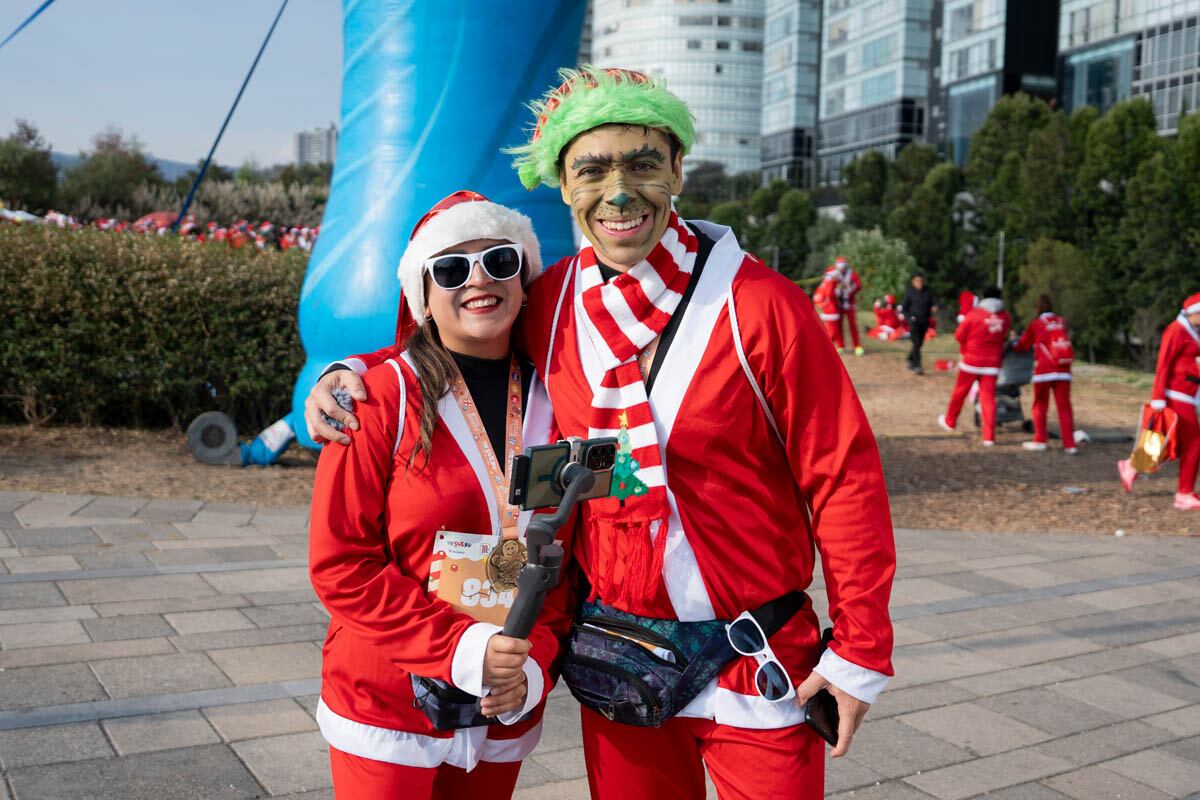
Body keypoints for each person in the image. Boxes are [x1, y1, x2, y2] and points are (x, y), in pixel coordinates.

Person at [308, 67, 895, 799]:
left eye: (643, 163)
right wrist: (350, 373)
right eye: (592, 169)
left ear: (678, 168)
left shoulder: (760, 306)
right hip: (621, 656)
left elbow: (843, 477)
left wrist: (858, 649)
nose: (619, 193)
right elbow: (458, 329)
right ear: (563, 184)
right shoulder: (551, 302)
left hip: (756, 652)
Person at [308, 190, 576, 798]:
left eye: (500, 262)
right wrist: (461, 647)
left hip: (503, 700)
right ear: (422, 299)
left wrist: (532, 667)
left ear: (527, 280)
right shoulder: (378, 401)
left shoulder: (560, 398)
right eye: (451, 268)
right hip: (389, 700)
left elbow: (567, 562)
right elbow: (340, 566)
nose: (478, 279)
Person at [1118, 293, 1200, 510]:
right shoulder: (1176, 330)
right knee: (1194, 442)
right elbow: (1163, 363)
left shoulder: (1190, 331)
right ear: (1195, 313)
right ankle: (1184, 493)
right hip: (1176, 394)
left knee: (1173, 442)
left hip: (1186, 394)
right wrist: (1158, 398)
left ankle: (1133, 466)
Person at [938, 286, 1011, 445]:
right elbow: (1004, 336)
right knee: (988, 398)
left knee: (960, 392)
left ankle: (950, 422)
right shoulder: (1005, 317)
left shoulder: (974, 314)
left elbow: (959, 336)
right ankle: (989, 436)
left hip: (972, 361)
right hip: (992, 363)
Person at [1013, 295, 1076, 454]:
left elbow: (1023, 345)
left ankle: (1040, 440)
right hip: (1063, 369)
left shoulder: (1036, 324)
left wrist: (1014, 342)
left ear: (1037, 308)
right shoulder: (1062, 322)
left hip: (1044, 370)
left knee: (1040, 405)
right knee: (1064, 407)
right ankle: (1070, 444)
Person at [818, 256, 864, 356]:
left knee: (852, 325)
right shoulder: (834, 272)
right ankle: (840, 346)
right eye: (839, 266)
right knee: (838, 325)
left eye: (843, 266)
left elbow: (858, 286)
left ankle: (857, 346)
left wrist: (849, 287)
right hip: (837, 303)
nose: (841, 268)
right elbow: (826, 277)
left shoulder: (852, 274)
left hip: (849, 303)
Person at [900, 272, 937, 374]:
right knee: (916, 342)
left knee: (919, 343)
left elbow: (935, 301)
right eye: (917, 281)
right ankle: (917, 365)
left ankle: (910, 358)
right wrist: (908, 319)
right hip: (913, 321)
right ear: (913, 282)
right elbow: (904, 308)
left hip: (924, 321)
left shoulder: (928, 292)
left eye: (921, 281)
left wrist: (935, 306)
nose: (919, 283)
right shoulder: (910, 292)